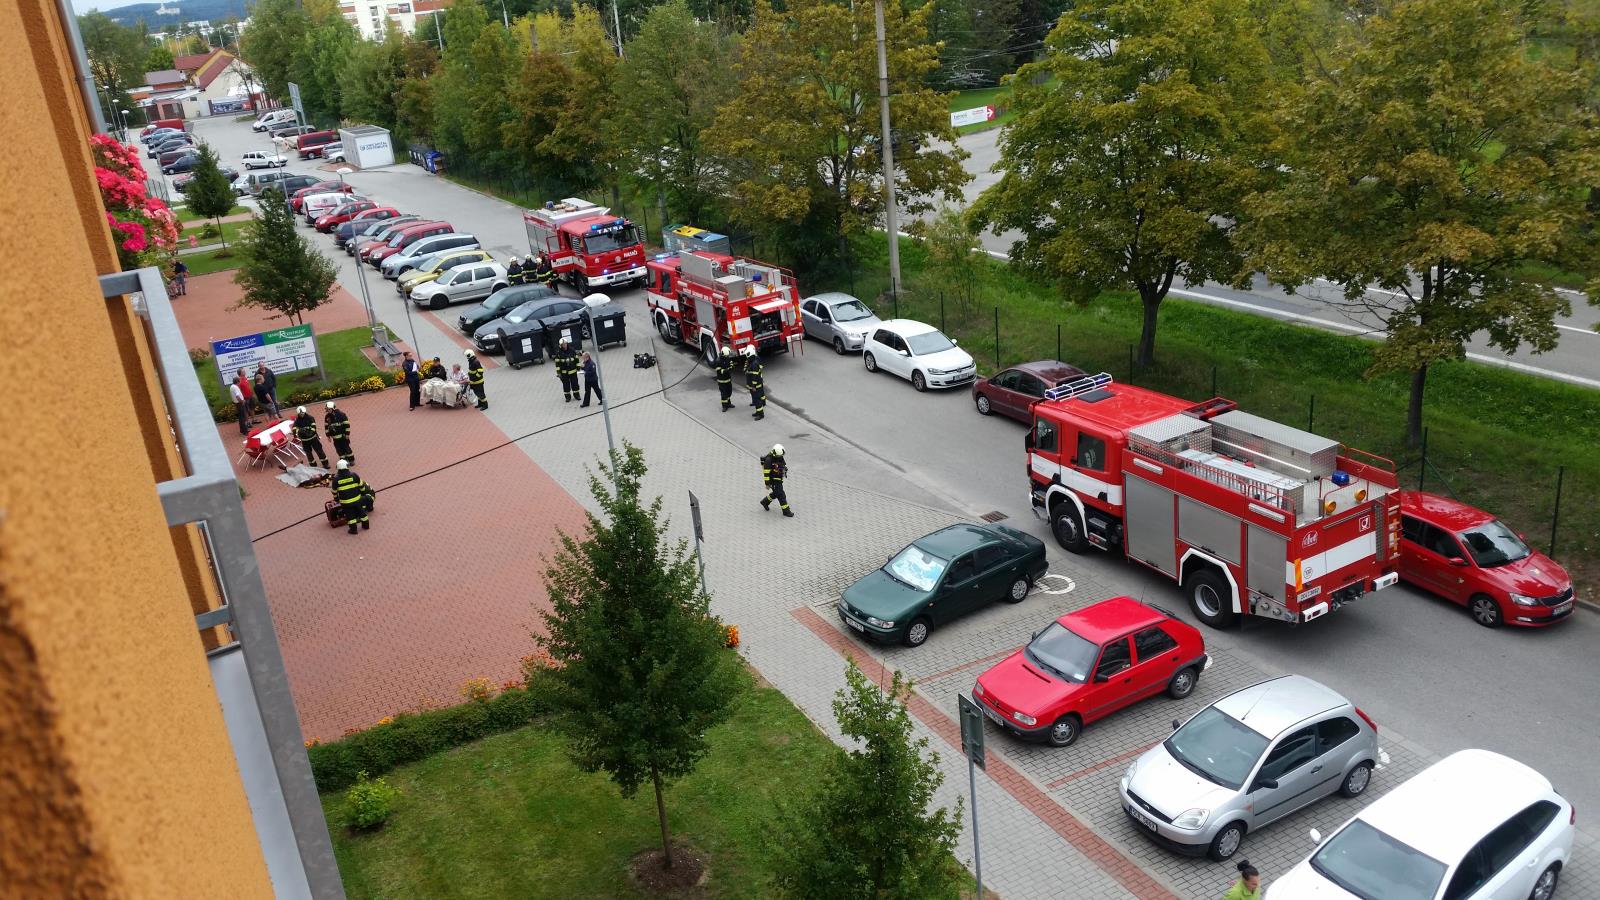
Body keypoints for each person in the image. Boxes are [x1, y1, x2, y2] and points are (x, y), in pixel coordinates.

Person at [330, 459, 371, 535]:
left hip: (346, 503)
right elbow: (362, 486)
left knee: (350, 516)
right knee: (362, 512)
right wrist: (363, 493)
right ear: (346, 466)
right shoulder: (354, 475)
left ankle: (353, 530)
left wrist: (336, 499)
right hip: (357, 499)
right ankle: (366, 526)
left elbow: (334, 491)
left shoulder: (335, 479)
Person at [759, 443, 792, 517]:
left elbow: (783, 463)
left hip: (779, 479)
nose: (780, 457)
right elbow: (766, 473)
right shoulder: (768, 460)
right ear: (774, 454)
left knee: (776, 493)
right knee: (781, 495)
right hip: (773, 480)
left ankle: (765, 502)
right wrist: (767, 484)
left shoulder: (779, 456)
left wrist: (784, 468)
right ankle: (786, 511)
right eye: (779, 456)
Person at [324, 400, 354, 465]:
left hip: (343, 436)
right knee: (339, 450)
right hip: (335, 438)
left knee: (346, 448)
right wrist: (328, 436)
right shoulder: (327, 417)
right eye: (327, 409)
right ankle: (344, 462)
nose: (328, 410)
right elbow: (326, 427)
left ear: (333, 408)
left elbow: (347, 425)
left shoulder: (341, 415)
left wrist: (347, 434)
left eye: (329, 409)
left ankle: (351, 460)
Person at [553, 337, 579, 403]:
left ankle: (577, 395)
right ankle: (567, 397)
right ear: (560, 345)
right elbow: (557, 363)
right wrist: (558, 372)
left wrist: (578, 367)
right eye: (563, 344)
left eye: (565, 344)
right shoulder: (558, 353)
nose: (564, 345)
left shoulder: (572, 350)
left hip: (573, 370)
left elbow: (576, 359)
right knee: (566, 385)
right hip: (564, 372)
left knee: (575, 383)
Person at [743, 346, 766, 421]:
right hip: (752, 385)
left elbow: (755, 376)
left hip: (756, 386)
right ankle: (758, 411)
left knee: (757, 400)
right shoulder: (752, 362)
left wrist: (753, 386)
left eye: (748, 356)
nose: (747, 357)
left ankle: (761, 414)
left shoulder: (755, 364)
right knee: (756, 400)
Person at [714, 345, 735, 412]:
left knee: (729, 392)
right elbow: (720, 371)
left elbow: (731, 363)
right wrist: (728, 369)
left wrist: (731, 366)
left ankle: (728, 404)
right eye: (727, 355)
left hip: (728, 379)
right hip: (722, 381)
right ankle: (724, 406)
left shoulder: (727, 358)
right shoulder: (718, 361)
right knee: (724, 394)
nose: (728, 356)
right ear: (724, 354)